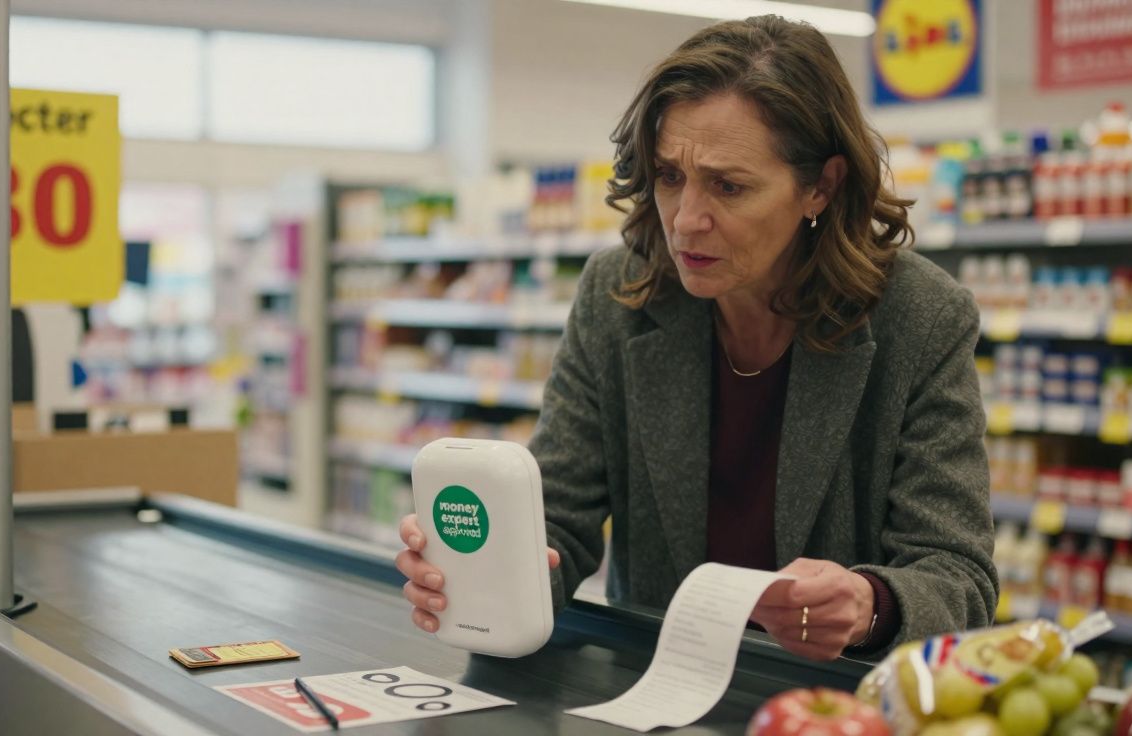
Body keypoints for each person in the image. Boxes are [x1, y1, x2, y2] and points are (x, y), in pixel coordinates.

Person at [396, 15, 996, 661]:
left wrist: (871, 603)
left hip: (835, 705)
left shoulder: (921, 318)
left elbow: (958, 577)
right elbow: (560, 521)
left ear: (821, 186)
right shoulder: (619, 295)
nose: (685, 221)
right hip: (655, 688)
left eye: (728, 186)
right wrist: (496, 569)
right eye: (669, 177)